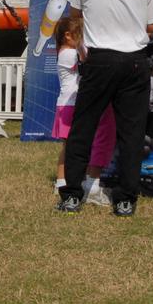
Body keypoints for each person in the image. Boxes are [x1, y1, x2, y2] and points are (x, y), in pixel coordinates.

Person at [57, 0, 153, 217]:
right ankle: (126, 198)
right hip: (134, 59)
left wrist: (82, 46)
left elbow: (75, 15)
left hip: (99, 58)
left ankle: (72, 195)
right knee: (131, 133)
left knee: (83, 127)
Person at [51, 15, 115, 205]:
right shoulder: (67, 54)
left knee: (70, 147)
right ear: (68, 36)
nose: (84, 39)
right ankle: (62, 181)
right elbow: (87, 58)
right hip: (70, 106)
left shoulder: (68, 52)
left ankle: (63, 180)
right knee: (69, 147)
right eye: (81, 35)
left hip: (69, 104)